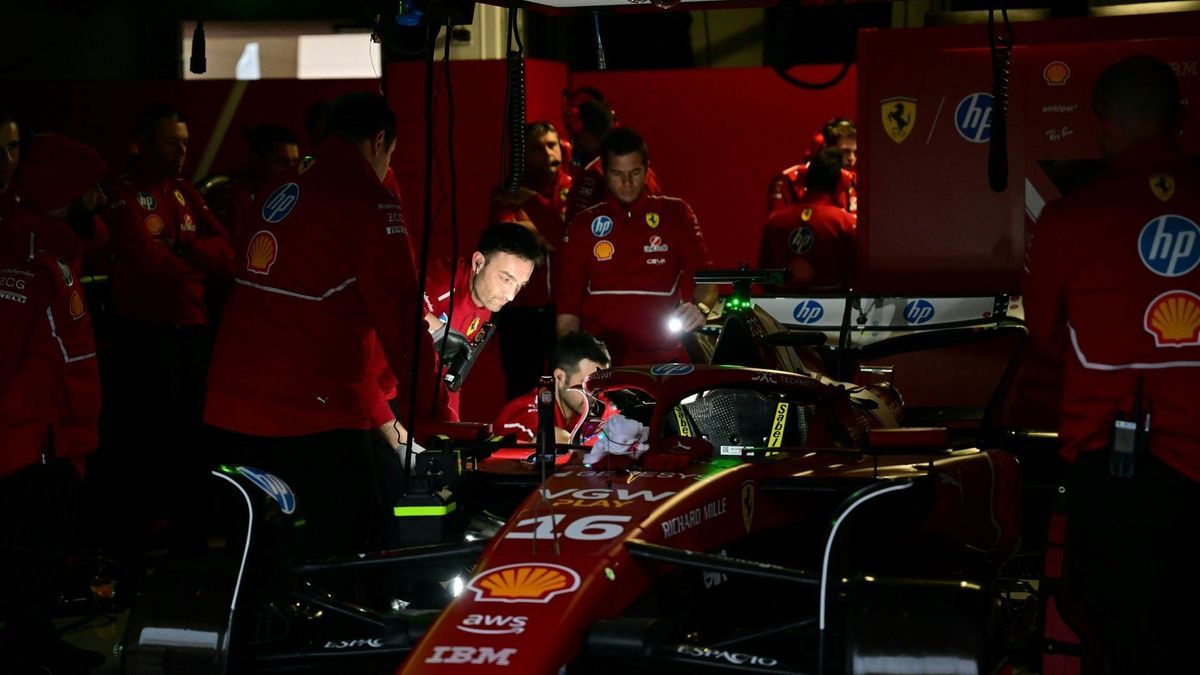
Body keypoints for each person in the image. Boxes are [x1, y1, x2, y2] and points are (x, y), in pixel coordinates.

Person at [205, 93, 441, 557]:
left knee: (254, 554)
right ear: (378, 141)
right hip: (314, 414)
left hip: (232, 407)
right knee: (348, 552)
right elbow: (400, 315)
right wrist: (430, 411)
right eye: (389, 154)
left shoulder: (279, 184)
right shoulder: (369, 200)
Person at [1024, 55, 1200, 674]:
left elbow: (1042, 340)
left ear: (1102, 126)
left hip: (1119, 477)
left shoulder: (1071, 219)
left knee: (1121, 648)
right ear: (1178, 120)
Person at [104, 102, 233, 556]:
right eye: (170, 142)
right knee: (147, 437)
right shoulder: (121, 194)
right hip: (145, 336)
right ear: (143, 143)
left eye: (185, 142)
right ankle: (142, 537)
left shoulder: (184, 192)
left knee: (194, 437)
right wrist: (194, 259)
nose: (181, 151)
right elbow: (148, 261)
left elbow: (229, 256)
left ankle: (190, 531)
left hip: (193, 333)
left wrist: (185, 251)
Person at [0, 132, 107, 675]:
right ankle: (28, 649)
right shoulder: (26, 253)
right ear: (69, 189)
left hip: (56, 435)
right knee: (31, 556)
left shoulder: (53, 246)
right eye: (92, 189)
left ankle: (33, 642)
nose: (101, 199)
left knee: (43, 554)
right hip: (31, 442)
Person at [557, 128, 716, 365]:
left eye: (635, 172)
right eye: (617, 174)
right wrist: (570, 366)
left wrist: (700, 308)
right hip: (602, 362)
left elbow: (708, 281)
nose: (627, 183)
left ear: (647, 169)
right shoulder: (583, 225)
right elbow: (567, 309)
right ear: (604, 171)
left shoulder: (676, 214)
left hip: (664, 358)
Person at [415, 221, 541, 421]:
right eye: (506, 279)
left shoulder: (487, 301)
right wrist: (436, 328)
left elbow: (453, 378)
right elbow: (391, 302)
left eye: (520, 285)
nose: (511, 296)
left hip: (417, 401)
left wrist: (452, 430)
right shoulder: (439, 281)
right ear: (478, 263)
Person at [489, 121, 573, 398]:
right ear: (523, 154)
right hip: (520, 310)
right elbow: (510, 239)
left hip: (566, 309)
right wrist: (552, 234)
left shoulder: (575, 188)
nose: (548, 153)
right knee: (521, 388)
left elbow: (571, 239)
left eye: (552, 145)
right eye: (538, 148)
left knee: (569, 386)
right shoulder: (510, 191)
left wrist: (537, 221)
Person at [757, 148, 857, 292]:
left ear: (804, 178)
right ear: (843, 181)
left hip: (779, 310)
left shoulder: (775, 221)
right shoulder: (847, 223)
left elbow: (763, 273)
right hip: (836, 309)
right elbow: (857, 275)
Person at [493, 331, 611, 444]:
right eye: (587, 385)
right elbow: (550, 438)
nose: (596, 394)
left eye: (600, 386)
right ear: (560, 377)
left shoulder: (586, 411)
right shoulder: (528, 410)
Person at [204, 123, 301, 244]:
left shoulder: (295, 198)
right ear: (258, 162)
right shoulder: (233, 197)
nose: (292, 170)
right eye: (283, 163)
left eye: (295, 163)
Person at [767, 117, 858, 215]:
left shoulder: (856, 182)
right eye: (845, 152)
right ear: (824, 149)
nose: (852, 158)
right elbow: (776, 225)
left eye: (855, 152)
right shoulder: (789, 181)